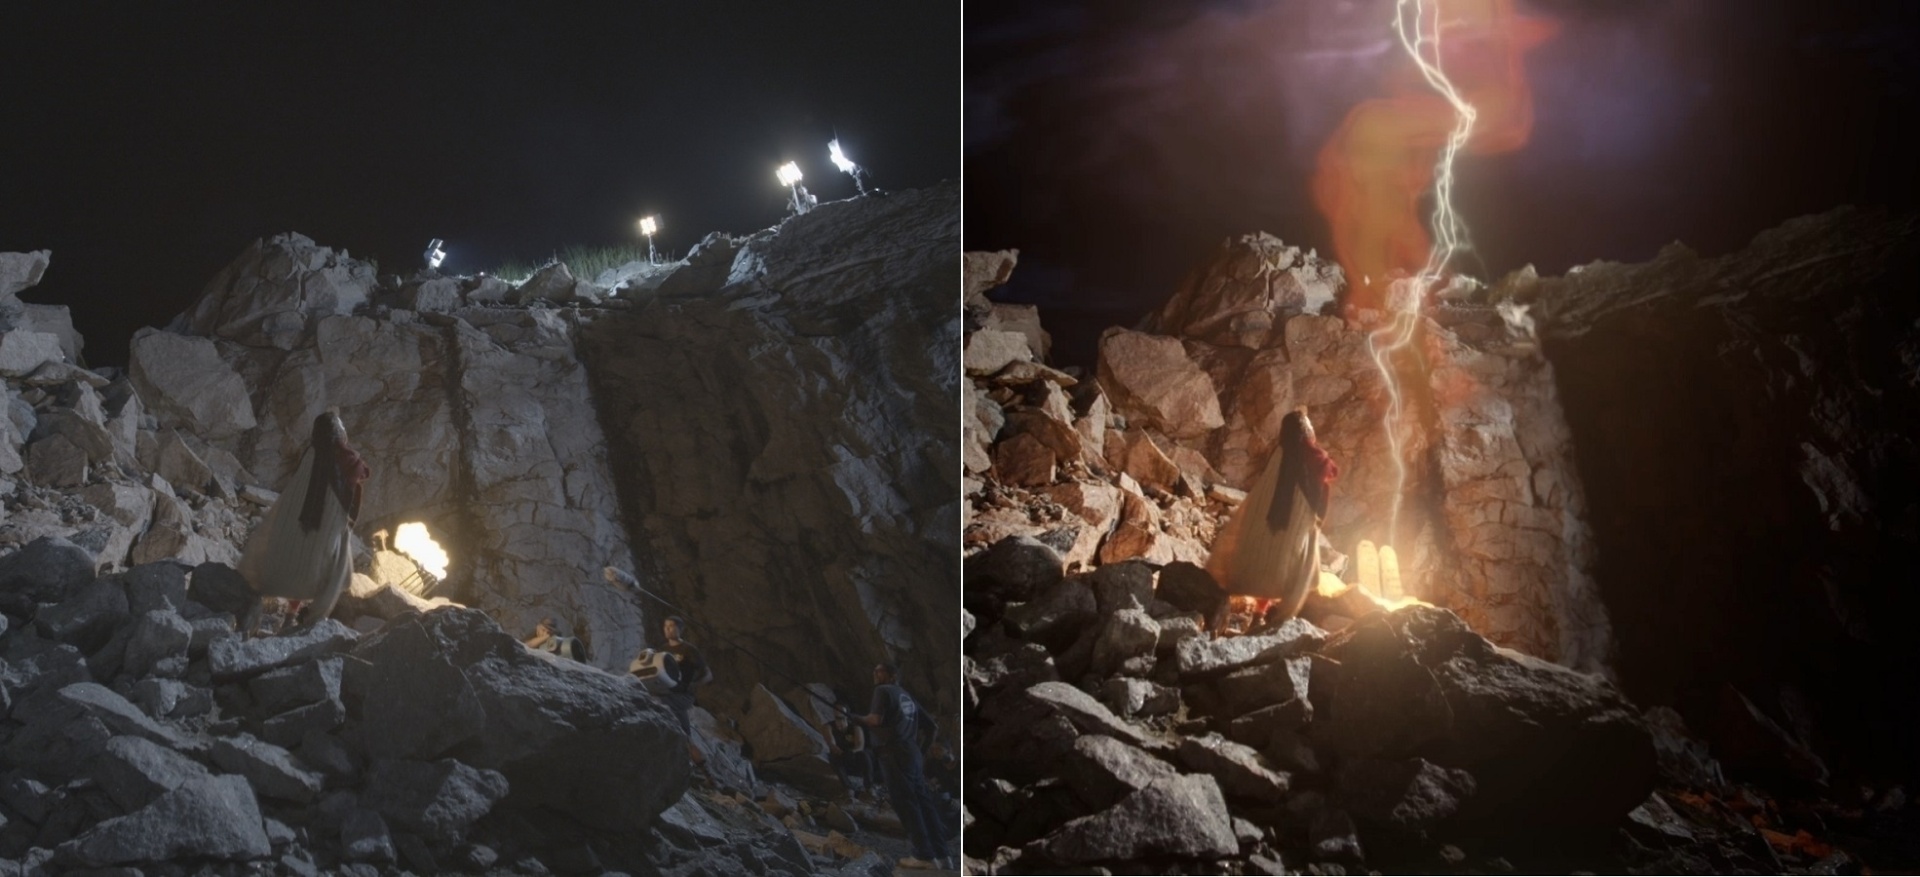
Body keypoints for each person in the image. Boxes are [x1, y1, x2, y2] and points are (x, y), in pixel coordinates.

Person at [236, 410, 370, 635]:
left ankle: (290, 616)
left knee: (302, 563)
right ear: (338, 433)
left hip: (303, 522)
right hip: (327, 527)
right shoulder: (346, 457)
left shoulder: (312, 453)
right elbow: (362, 471)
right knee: (331, 573)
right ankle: (312, 620)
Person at [1205, 408, 1340, 623]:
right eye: (1309, 425)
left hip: (1271, 518)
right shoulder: (1312, 454)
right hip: (1297, 520)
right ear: (1305, 430)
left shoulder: (1279, 453)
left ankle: (1259, 614)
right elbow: (1330, 471)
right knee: (1290, 568)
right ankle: (1280, 618)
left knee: (1270, 563)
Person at [856, 663, 954, 871]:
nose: (874, 673)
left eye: (879, 671)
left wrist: (857, 718)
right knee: (924, 803)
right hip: (911, 754)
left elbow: (875, 720)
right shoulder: (906, 696)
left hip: (893, 753)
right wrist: (921, 750)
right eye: (874, 670)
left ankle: (924, 855)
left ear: (892, 676)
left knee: (906, 804)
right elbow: (932, 726)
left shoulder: (882, 691)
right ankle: (942, 855)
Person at [823, 705, 876, 802]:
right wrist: (840, 752)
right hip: (842, 759)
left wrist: (851, 752)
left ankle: (869, 787)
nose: (839, 721)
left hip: (855, 759)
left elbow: (860, 745)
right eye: (836, 717)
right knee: (832, 757)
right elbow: (831, 743)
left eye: (841, 717)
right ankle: (848, 788)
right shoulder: (829, 727)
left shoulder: (855, 727)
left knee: (865, 755)